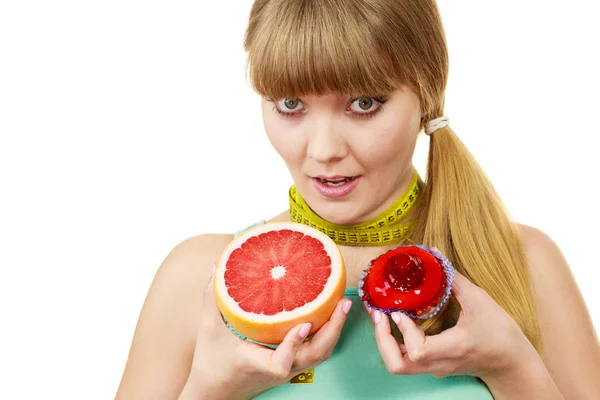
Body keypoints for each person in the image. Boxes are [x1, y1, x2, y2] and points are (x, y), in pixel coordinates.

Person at [116, 0, 600, 399]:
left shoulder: (524, 264)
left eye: (364, 103)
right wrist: (210, 388)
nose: (324, 150)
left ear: (428, 96)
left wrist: (511, 366)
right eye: (290, 104)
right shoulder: (201, 279)